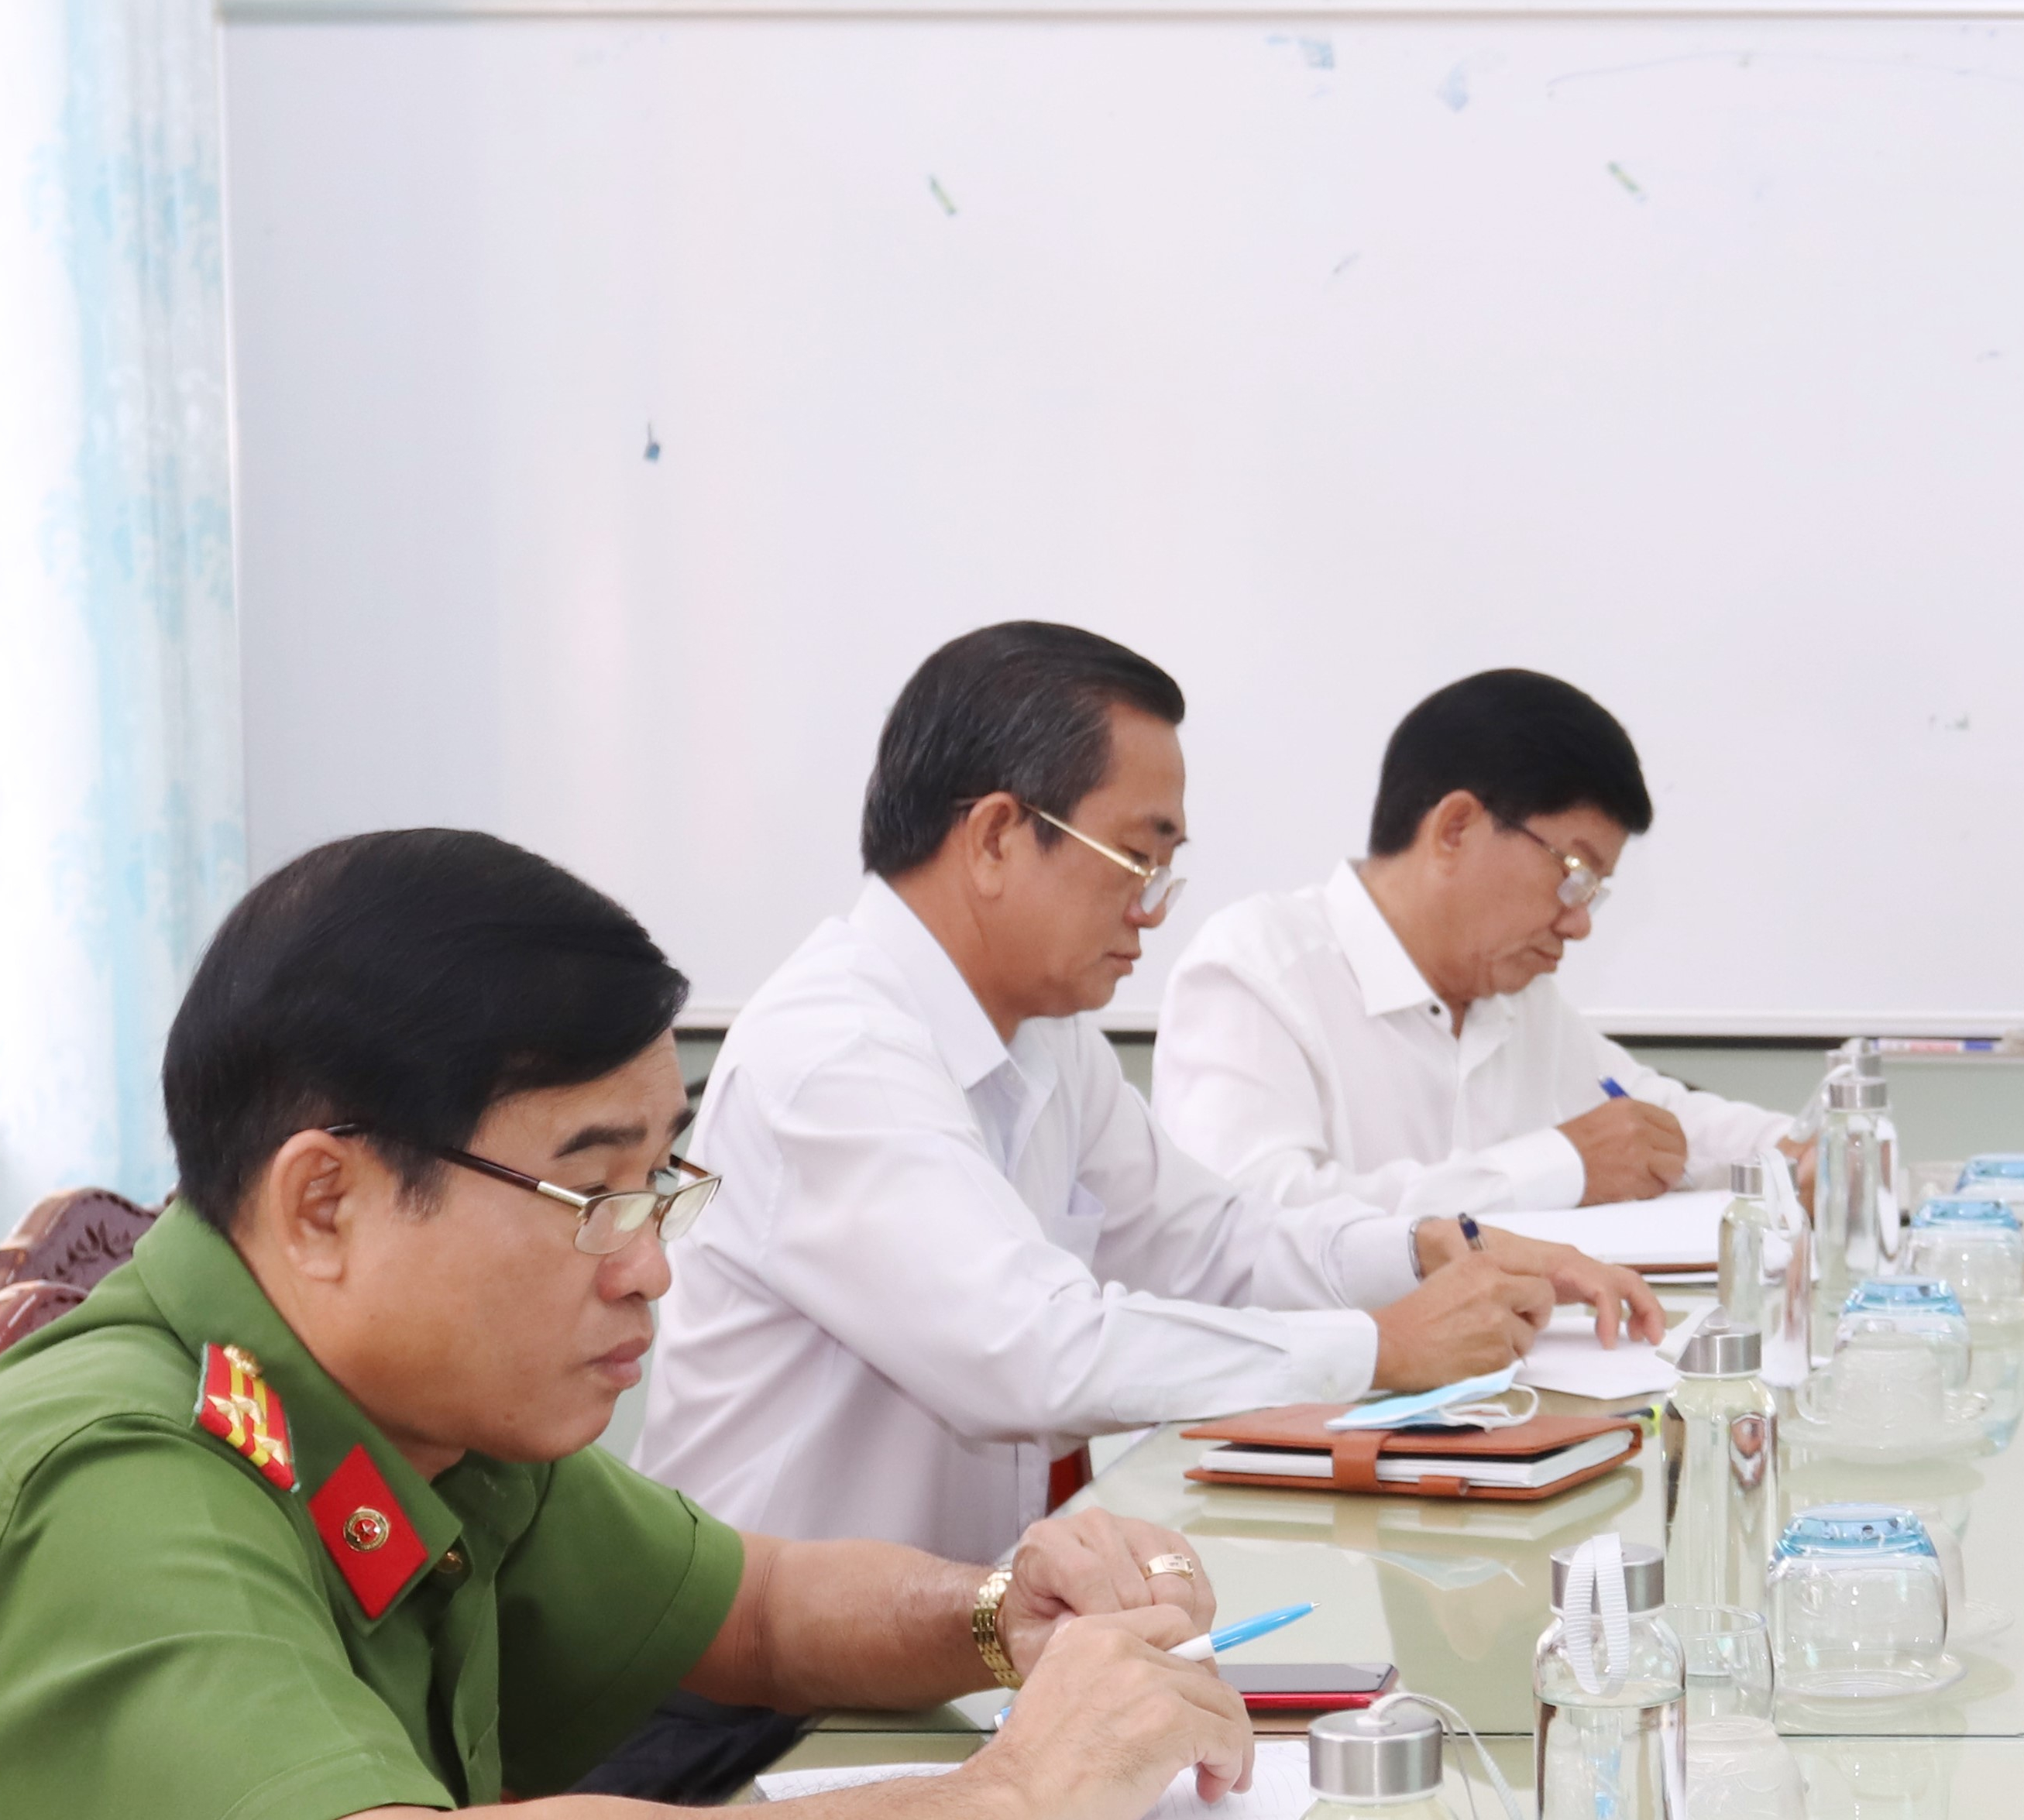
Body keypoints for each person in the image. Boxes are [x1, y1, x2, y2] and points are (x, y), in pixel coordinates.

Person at [0, 829, 1267, 1820]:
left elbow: (758, 1605)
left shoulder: (427, 1411)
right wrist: (1009, 1800)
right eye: (593, 1193)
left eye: (661, 1182)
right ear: (325, 1202)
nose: (650, 1263)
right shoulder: (103, 1478)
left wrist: (999, 1609)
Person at [641, 625, 1658, 1579]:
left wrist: (1425, 1250)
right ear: (995, 837)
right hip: (762, 1676)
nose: (1151, 908)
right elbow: (1030, 1353)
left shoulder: (1045, 1036)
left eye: (1167, 868)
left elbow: (1213, 1244)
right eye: (1137, 857)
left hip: (949, 1632)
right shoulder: (837, 1052)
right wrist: (1383, 1348)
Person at [1154, 668, 1795, 1215]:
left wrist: (1799, 1157)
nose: (1579, 924)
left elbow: (1659, 1123)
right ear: (1456, 828)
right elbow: (1246, 1220)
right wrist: (1555, 1168)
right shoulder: (1255, 970)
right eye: (1575, 875)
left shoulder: (1518, 999)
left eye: (1594, 892)